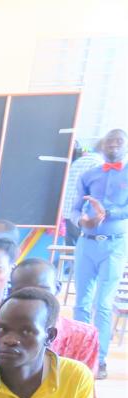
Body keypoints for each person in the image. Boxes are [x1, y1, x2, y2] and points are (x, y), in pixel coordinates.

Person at [0, 258, 99, 369]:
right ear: (11, 292)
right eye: (24, 291)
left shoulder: (84, 337)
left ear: (57, 288)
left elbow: (81, 389)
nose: (34, 300)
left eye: (43, 290)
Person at [72, 127, 126, 379]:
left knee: (103, 304)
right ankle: (77, 355)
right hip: (86, 243)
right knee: (81, 303)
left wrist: (106, 213)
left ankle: (99, 359)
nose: (113, 144)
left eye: (119, 141)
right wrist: (82, 220)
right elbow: (75, 209)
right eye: (109, 141)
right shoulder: (89, 175)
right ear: (103, 145)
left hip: (114, 245)